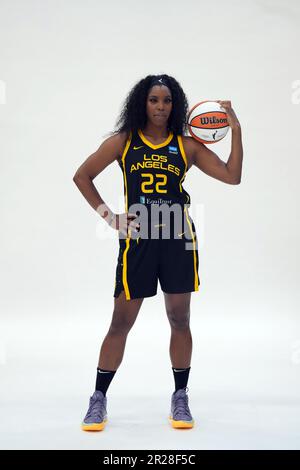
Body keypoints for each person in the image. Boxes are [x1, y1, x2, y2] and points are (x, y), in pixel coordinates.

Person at [73, 74, 243, 432]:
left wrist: (236, 129)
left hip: (179, 239)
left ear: (175, 104)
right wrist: (110, 217)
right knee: (121, 322)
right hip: (139, 240)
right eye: (154, 100)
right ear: (142, 103)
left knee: (180, 319)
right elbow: (82, 176)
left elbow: (232, 175)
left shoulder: (186, 145)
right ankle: (98, 398)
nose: (161, 107)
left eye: (167, 101)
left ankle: (180, 396)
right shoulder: (123, 142)